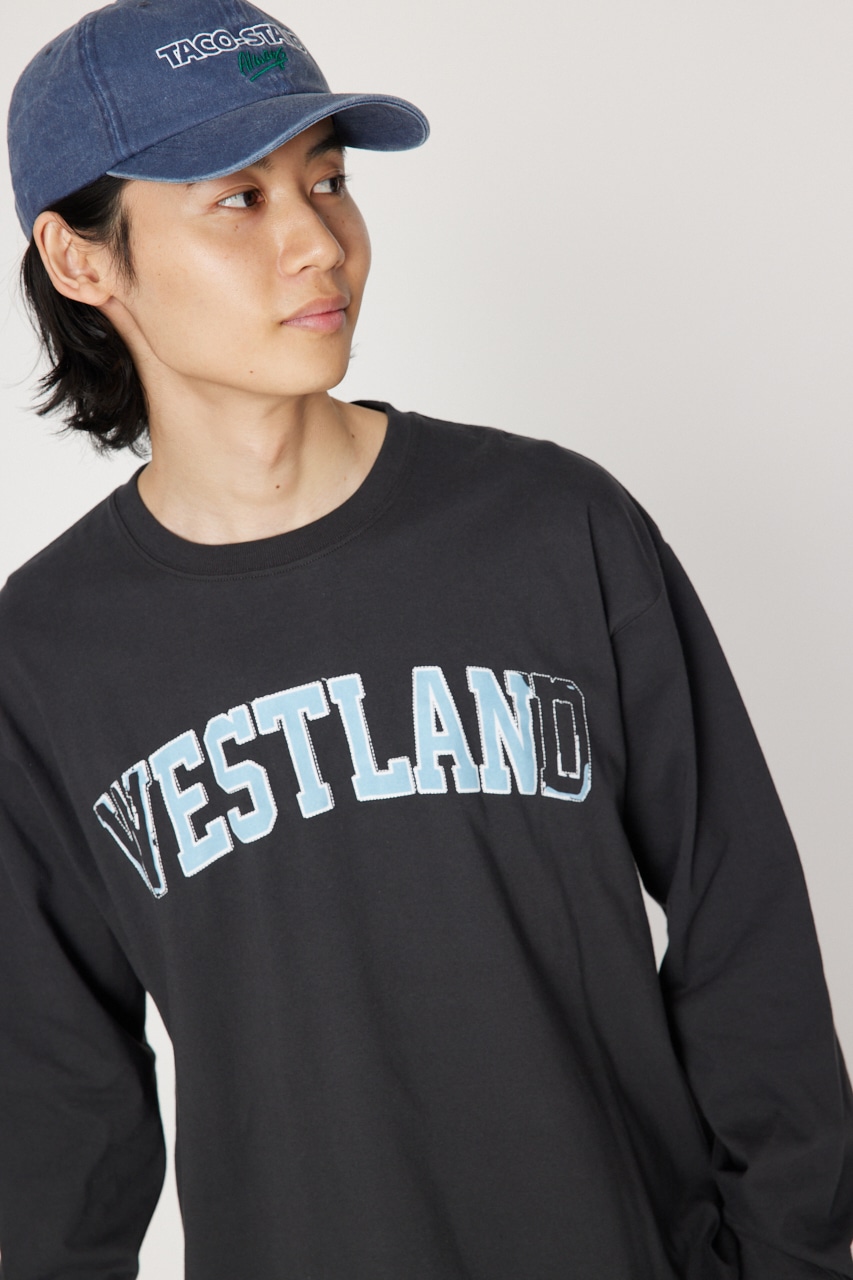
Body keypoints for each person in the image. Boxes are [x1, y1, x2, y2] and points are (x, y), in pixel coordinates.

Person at [0, 0, 851, 1276]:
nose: (317, 242)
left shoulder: (552, 526)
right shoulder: (46, 657)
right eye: (239, 200)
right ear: (81, 261)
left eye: (328, 181)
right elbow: (54, 1119)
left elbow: (746, 930)